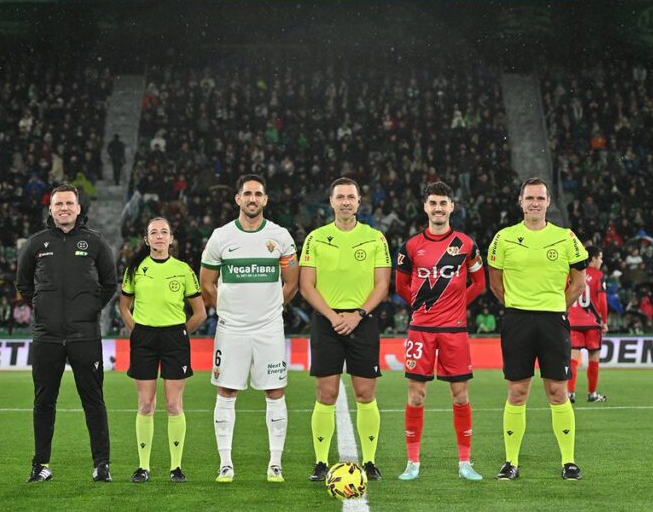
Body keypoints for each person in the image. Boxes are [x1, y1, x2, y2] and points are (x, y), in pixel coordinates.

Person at [488, 177, 588, 481]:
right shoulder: (503, 238)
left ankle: (568, 461)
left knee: (558, 391)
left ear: (548, 202)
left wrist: (556, 305)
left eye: (540, 198)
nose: (534, 203)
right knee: (517, 391)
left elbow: (579, 283)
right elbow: (495, 282)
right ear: (520, 201)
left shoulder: (566, 237)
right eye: (529, 198)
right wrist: (518, 305)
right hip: (517, 319)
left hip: (553, 320)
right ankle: (510, 462)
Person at [199, 175, 298, 483]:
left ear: (265, 200)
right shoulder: (221, 236)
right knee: (226, 391)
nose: (253, 199)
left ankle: (275, 464)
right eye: (247, 194)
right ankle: (225, 464)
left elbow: (292, 282)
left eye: (258, 194)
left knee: (275, 391)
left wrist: (271, 311)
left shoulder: (280, 236)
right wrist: (227, 312)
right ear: (238, 199)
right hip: (232, 330)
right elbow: (206, 283)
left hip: (269, 329)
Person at [16, 184, 117, 483]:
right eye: (58, 204)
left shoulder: (95, 242)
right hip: (47, 336)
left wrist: (88, 310)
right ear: (50, 209)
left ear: (78, 208)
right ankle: (41, 465)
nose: (64, 208)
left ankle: (102, 465)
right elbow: (24, 285)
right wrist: (42, 306)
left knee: (93, 400)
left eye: (69, 203)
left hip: (84, 335)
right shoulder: (36, 244)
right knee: (44, 401)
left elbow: (109, 284)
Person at [300, 177, 391, 482]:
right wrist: (332, 315)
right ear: (331, 201)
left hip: (362, 322)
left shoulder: (375, 238)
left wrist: (358, 314)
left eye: (351, 197)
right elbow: (306, 285)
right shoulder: (315, 238)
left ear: (358, 201)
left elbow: (382, 285)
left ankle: (369, 461)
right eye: (340, 197)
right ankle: (321, 462)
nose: (346, 202)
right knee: (326, 393)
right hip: (327, 323)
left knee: (365, 393)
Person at [394, 181, 486, 481]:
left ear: (452, 207)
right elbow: (400, 286)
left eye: (443, 203)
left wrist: (456, 307)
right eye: (433, 203)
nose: (438, 208)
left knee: (460, 396)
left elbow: (480, 284)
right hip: (420, 329)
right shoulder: (410, 246)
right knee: (416, 395)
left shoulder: (466, 244)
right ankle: (412, 463)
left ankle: (464, 462)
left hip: (454, 332)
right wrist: (423, 307)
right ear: (425, 207)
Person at [119, 217, 206, 483]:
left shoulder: (183, 269)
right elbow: (124, 306)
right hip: (144, 337)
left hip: (174, 338)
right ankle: (143, 467)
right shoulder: (135, 269)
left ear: (171, 239)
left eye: (164, 232)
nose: (159, 236)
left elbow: (200, 313)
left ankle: (176, 467)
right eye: (154, 232)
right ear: (146, 239)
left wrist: (180, 333)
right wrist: (138, 331)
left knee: (172, 404)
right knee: (145, 404)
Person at [566, 246, 608, 404]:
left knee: (573, 358)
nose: (601, 261)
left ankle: (570, 393)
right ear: (593, 258)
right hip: (592, 322)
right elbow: (602, 301)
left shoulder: (573, 273)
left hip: (574, 322)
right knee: (594, 358)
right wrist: (604, 321)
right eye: (600, 258)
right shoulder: (598, 275)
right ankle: (592, 394)